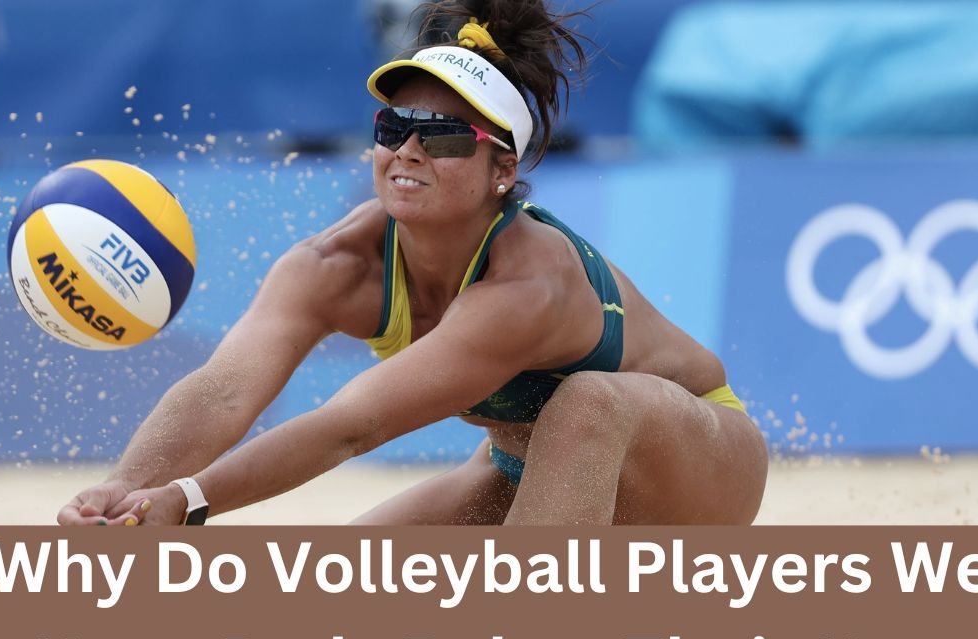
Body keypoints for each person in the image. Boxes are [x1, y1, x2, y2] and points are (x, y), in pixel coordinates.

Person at [56, 0, 767, 528]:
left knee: (588, 402)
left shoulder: (531, 283)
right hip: (527, 471)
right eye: (394, 127)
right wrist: (123, 495)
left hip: (697, 472)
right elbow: (222, 393)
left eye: (445, 136)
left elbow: (351, 427)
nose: (409, 150)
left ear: (502, 171)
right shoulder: (332, 265)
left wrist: (188, 500)